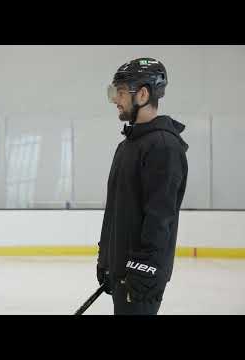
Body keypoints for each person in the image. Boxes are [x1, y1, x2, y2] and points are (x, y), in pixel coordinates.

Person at [97, 58, 188, 315]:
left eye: (121, 92)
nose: (115, 99)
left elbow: (160, 218)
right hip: (122, 271)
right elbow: (116, 211)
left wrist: (144, 271)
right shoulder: (127, 146)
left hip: (141, 278)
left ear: (144, 94)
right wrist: (106, 260)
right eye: (113, 92)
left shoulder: (163, 147)